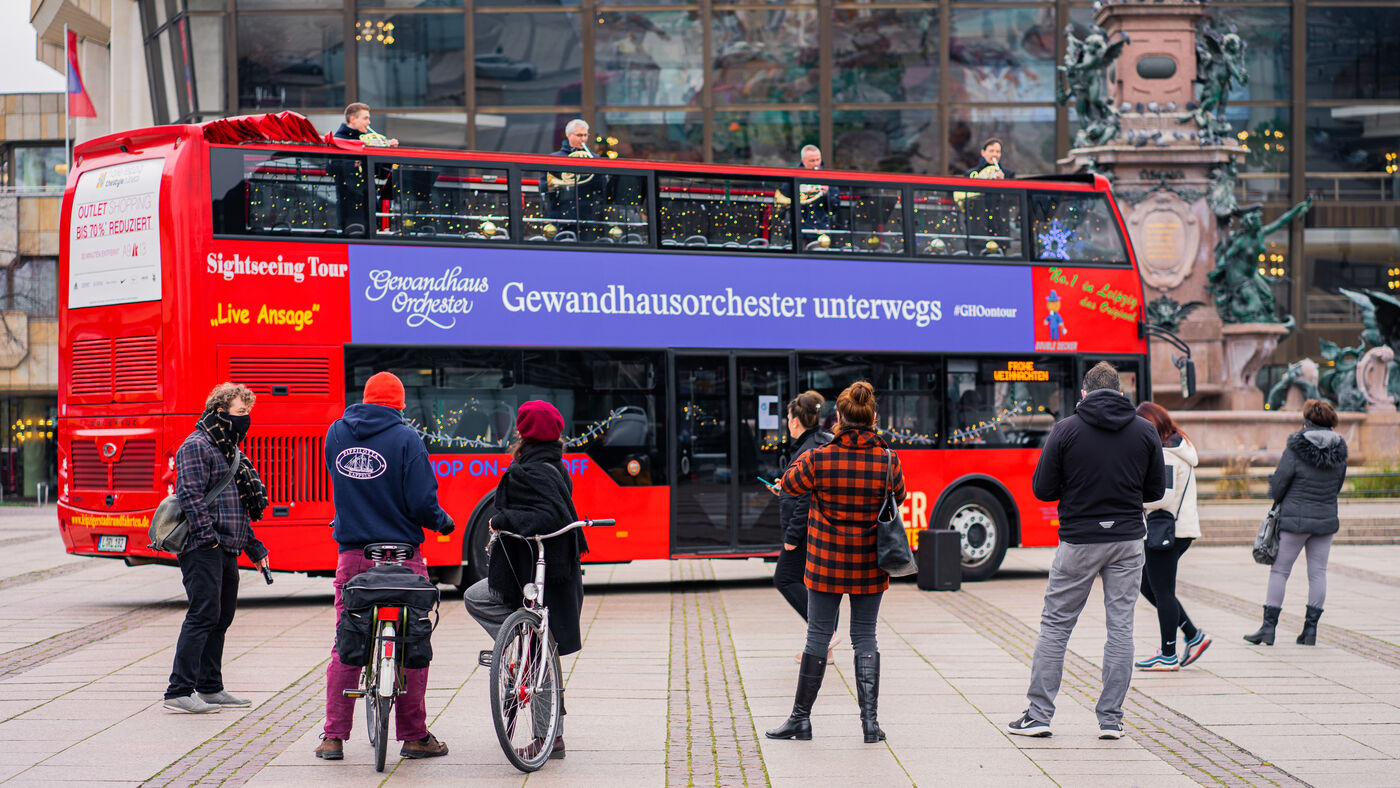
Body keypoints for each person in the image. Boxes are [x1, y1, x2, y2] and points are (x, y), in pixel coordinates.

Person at [1006, 361, 1164, 740]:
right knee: (1121, 627)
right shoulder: (1144, 430)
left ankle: (1039, 715)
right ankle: (1111, 719)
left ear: (1083, 393)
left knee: (1056, 625)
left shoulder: (1065, 430)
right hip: (1127, 539)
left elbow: (1043, 489)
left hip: (1079, 539)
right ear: (1122, 393)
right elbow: (1156, 490)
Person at [315, 371, 454, 761]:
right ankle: (414, 736)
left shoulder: (336, 434)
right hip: (403, 557)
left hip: (355, 556)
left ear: (365, 398)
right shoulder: (407, 438)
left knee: (347, 643)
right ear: (400, 404)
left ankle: (333, 738)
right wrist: (442, 522)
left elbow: (342, 485)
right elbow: (422, 501)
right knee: (413, 645)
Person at [767, 381, 906, 744]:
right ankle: (870, 724)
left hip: (826, 562)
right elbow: (900, 495)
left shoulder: (819, 458)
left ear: (838, 419)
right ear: (873, 418)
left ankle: (800, 720)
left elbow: (790, 485)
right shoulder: (889, 460)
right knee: (865, 636)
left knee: (817, 636)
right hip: (870, 563)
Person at [464, 400, 587, 761]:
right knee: (539, 644)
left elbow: (547, 517)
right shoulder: (555, 466)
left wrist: (502, 520)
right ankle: (518, 637)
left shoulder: (528, 471)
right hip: (556, 575)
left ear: (522, 432)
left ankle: (549, 736)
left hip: (530, 573)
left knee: (526, 638)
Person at [162, 383, 270, 714]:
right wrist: (207, 538)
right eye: (241, 412)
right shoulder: (196, 446)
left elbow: (237, 506)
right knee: (203, 614)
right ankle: (179, 690)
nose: (245, 419)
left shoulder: (228, 449)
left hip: (227, 545)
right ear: (220, 412)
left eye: (248, 412)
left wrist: (255, 549)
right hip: (203, 546)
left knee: (221, 616)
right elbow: (191, 496)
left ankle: (210, 687)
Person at [1244, 399, 1348, 647]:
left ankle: (1268, 629)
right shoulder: (1340, 450)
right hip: (1325, 520)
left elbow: (1279, 485)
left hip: (1295, 521)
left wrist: (1279, 495)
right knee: (1318, 573)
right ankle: (1310, 631)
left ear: (1306, 420)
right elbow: (1338, 485)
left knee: (1280, 571)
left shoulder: (1296, 447)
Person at [1133, 402, 1210, 671]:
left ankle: (1168, 655)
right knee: (1148, 586)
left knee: (1163, 592)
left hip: (1166, 531)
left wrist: (1134, 499)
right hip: (1175, 530)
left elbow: (1162, 497)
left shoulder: (1166, 454)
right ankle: (1193, 635)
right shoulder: (1177, 449)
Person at [771, 391, 833, 623]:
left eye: (788, 418)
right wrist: (784, 487)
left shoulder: (808, 450)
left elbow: (807, 498)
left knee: (784, 578)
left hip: (805, 530)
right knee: (817, 584)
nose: (788, 423)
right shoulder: (815, 443)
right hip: (814, 527)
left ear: (795, 421)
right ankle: (826, 635)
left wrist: (792, 536)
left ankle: (826, 629)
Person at [542, 119, 602, 236]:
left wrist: (595, 172)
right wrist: (563, 183)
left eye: (585, 135)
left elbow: (601, 188)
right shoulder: (555, 158)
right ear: (569, 135)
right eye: (579, 135)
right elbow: (544, 187)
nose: (583, 139)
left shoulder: (594, 158)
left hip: (587, 216)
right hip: (560, 215)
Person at [775, 145, 841, 247]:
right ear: (803, 161)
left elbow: (835, 208)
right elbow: (781, 209)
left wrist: (827, 194)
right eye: (812, 161)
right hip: (797, 231)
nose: (816, 164)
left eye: (818, 160)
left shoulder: (828, 178)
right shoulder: (793, 178)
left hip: (820, 233)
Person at [963, 137, 1016, 255]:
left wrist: (1004, 183)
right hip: (977, 227)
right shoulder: (971, 174)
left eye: (998, 152)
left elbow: (1013, 200)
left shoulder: (1008, 175)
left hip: (999, 227)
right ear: (983, 153)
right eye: (991, 151)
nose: (995, 154)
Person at [334, 103, 398, 147]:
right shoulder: (337, 141)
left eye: (368, 118)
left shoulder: (366, 140)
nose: (369, 122)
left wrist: (389, 146)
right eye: (365, 118)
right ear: (352, 119)